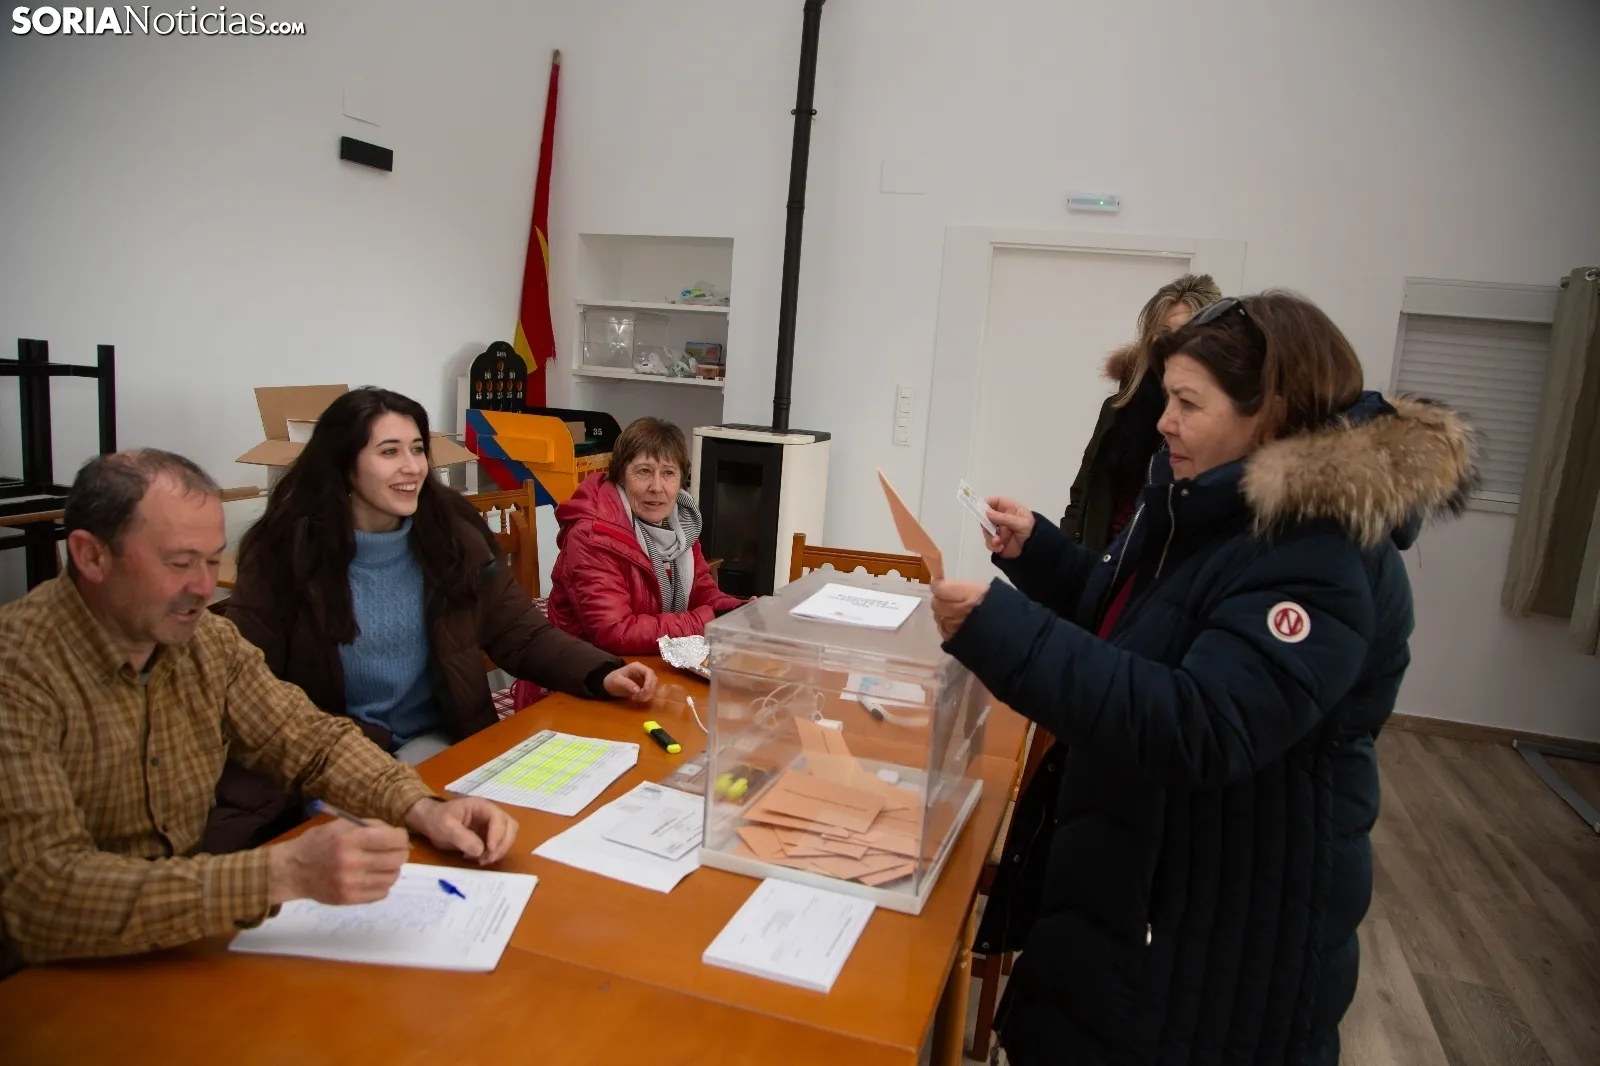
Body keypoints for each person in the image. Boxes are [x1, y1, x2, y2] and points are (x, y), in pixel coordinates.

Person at [929, 292, 1476, 1066]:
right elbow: (1135, 624)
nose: (1164, 421)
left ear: (1271, 413)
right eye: (1167, 399)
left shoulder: (1319, 550)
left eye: (1188, 403)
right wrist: (1040, 554)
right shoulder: (1210, 503)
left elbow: (1200, 724)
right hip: (1139, 895)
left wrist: (1002, 630)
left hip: (1214, 950)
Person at [0, 450, 521, 977]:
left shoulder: (205, 642)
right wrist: (280, 873)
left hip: (175, 950)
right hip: (50, 979)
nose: (204, 588)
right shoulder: (18, 673)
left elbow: (311, 742)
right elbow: (41, 894)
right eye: (179, 563)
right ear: (91, 556)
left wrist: (422, 807)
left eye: (212, 560)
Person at [205, 388, 657, 854]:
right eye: (389, 452)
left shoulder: (451, 532)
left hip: (440, 745)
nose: (412, 467)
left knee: (529, 839)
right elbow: (248, 691)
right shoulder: (283, 554)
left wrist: (602, 672)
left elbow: (519, 633)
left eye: (418, 449)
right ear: (344, 464)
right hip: (336, 767)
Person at [546, 417, 745, 656]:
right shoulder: (592, 534)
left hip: (647, 658)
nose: (657, 487)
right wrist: (708, 621)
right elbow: (615, 632)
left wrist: (740, 612)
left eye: (668, 473)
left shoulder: (680, 525)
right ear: (621, 476)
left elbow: (701, 591)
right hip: (585, 667)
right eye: (644, 471)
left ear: (681, 480)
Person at [1063, 273, 1223, 552]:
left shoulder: (1219, 420)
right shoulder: (1119, 407)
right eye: (1163, 333)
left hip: (1164, 564)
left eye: (1185, 334)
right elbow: (1083, 494)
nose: (1170, 346)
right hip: (1104, 561)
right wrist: (1068, 552)